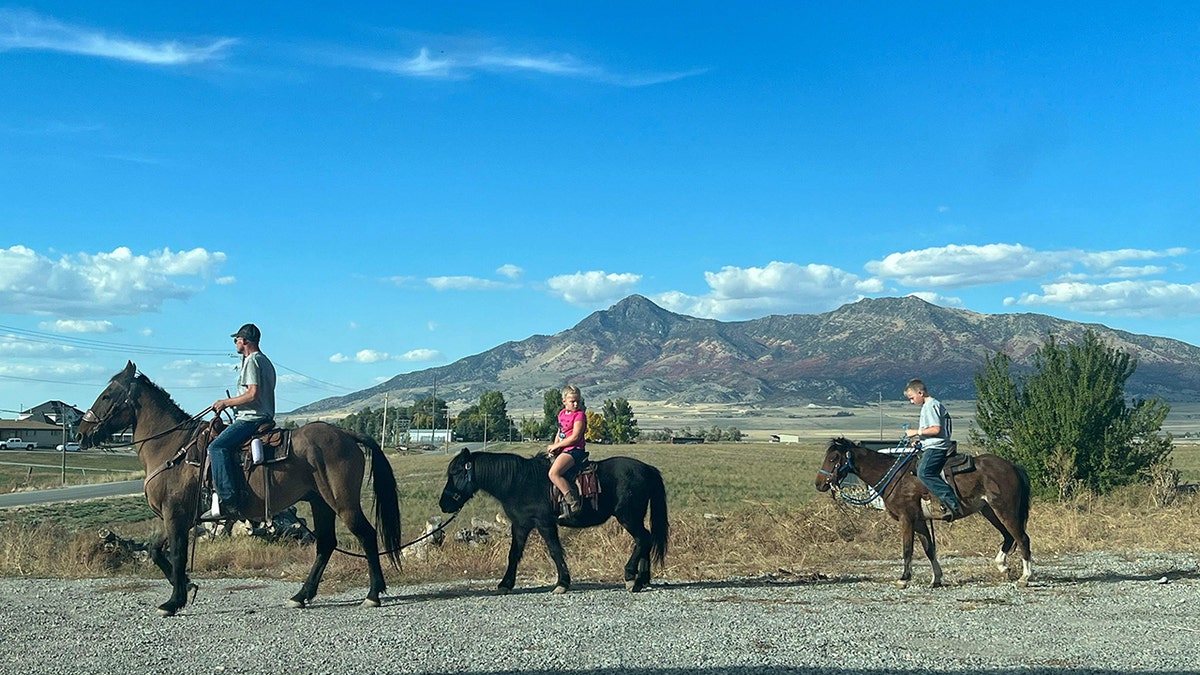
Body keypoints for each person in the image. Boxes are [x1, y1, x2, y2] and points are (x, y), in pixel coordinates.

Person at [200, 323, 277, 521]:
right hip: (264, 415)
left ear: (245, 341)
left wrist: (226, 403)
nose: (235, 342)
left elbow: (252, 394)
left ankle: (228, 501)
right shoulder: (266, 361)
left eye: (237, 339)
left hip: (251, 418)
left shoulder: (252, 361)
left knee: (217, 447)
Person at [903, 378, 962, 521]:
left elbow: (936, 429)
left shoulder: (931, 406)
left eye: (912, 398)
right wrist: (921, 441)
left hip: (937, 447)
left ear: (920, 392)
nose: (912, 402)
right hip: (931, 445)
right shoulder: (929, 406)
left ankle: (951, 503)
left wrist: (916, 432)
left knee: (924, 473)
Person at [546, 385, 588, 519]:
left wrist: (557, 446)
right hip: (563, 449)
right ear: (564, 401)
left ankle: (573, 501)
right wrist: (555, 446)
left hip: (574, 450)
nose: (576, 404)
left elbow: (575, 437)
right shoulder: (562, 414)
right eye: (572, 401)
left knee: (553, 473)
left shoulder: (580, 415)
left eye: (578, 401)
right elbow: (560, 432)